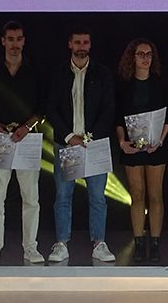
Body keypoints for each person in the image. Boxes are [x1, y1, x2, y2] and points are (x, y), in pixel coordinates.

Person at [46, 27, 116, 263]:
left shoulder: (102, 74)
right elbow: (51, 107)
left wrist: (90, 137)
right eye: (77, 42)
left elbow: (109, 109)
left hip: (94, 144)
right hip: (66, 144)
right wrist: (69, 137)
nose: (81, 47)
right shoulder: (58, 73)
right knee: (63, 196)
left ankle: (99, 243)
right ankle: (62, 244)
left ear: (90, 44)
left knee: (98, 197)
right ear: (70, 44)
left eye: (85, 42)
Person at [0, 21, 46, 264]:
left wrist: (27, 126)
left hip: (27, 138)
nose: (15, 44)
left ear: (24, 41)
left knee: (31, 198)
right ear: (3, 41)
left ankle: (30, 247)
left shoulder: (36, 70)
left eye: (19, 39)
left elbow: (43, 106)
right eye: (10, 39)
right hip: (0, 138)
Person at [115, 38, 168, 264]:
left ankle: (155, 243)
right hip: (132, 147)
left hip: (156, 146)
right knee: (137, 195)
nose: (145, 58)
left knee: (155, 195)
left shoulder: (160, 83)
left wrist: (160, 141)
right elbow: (118, 118)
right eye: (141, 54)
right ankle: (139, 243)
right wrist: (122, 142)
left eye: (149, 54)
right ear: (132, 57)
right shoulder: (123, 84)